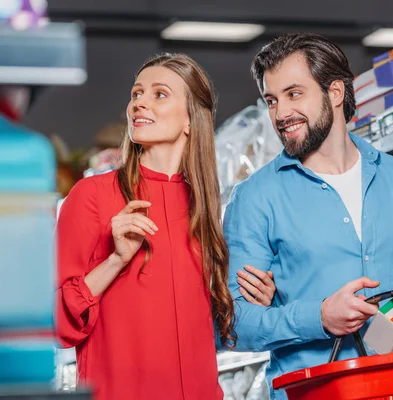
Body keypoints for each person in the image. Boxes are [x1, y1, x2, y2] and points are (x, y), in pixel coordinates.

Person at [223, 33, 393, 399]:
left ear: (335, 93)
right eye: (271, 100)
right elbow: (231, 325)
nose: (280, 114)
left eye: (294, 94)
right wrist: (319, 317)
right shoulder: (256, 198)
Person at [55, 53, 253, 400]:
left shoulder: (204, 210)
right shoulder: (92, 196)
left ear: (191, 118)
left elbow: (215, 331)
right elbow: (59, 323)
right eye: (136, 94)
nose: (139, 104)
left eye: (159, 94)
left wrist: (254, 296)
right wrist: (115, 260)